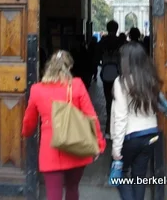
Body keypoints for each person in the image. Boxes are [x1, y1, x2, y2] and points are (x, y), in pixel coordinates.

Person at [22, 50, 106, 200]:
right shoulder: (77, 85)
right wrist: (99, 143)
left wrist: (26, 133)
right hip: (77, 145)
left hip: (50, 148)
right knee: (73, 189)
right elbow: (91, 116)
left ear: (48, 67)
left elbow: (29, 121)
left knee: (53, 194)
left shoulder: (37, 89)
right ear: (69, 67)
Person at [110, 41, 162, 200]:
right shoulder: (151, 80)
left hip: (131, 136)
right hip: (151, 134)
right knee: (139, 176)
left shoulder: (121, 82)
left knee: (119, 175)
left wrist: (116, 148)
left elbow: (120, 116)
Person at [96, 20, 122, 137]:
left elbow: (96, 56)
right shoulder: (121, 42)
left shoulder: (103, 41)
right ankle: (117, 128)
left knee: (108, 101)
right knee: (119, 101)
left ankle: (107, 129)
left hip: (106, 73)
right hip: (118, 74)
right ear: (116, 29)